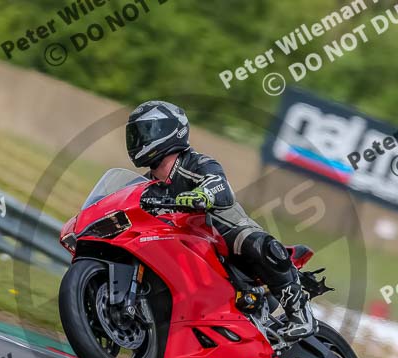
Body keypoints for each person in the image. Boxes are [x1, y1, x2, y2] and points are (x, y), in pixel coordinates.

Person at [125, 100, 315, 341]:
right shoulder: (145, 187)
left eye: (145, 131)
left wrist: (202, 195)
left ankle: (300, 313)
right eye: (135, 134)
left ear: (169, 131)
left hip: (222, 235)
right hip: (183, 248)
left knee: (256, 243)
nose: (138, 140)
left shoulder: (197, 163)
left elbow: (220, 187)